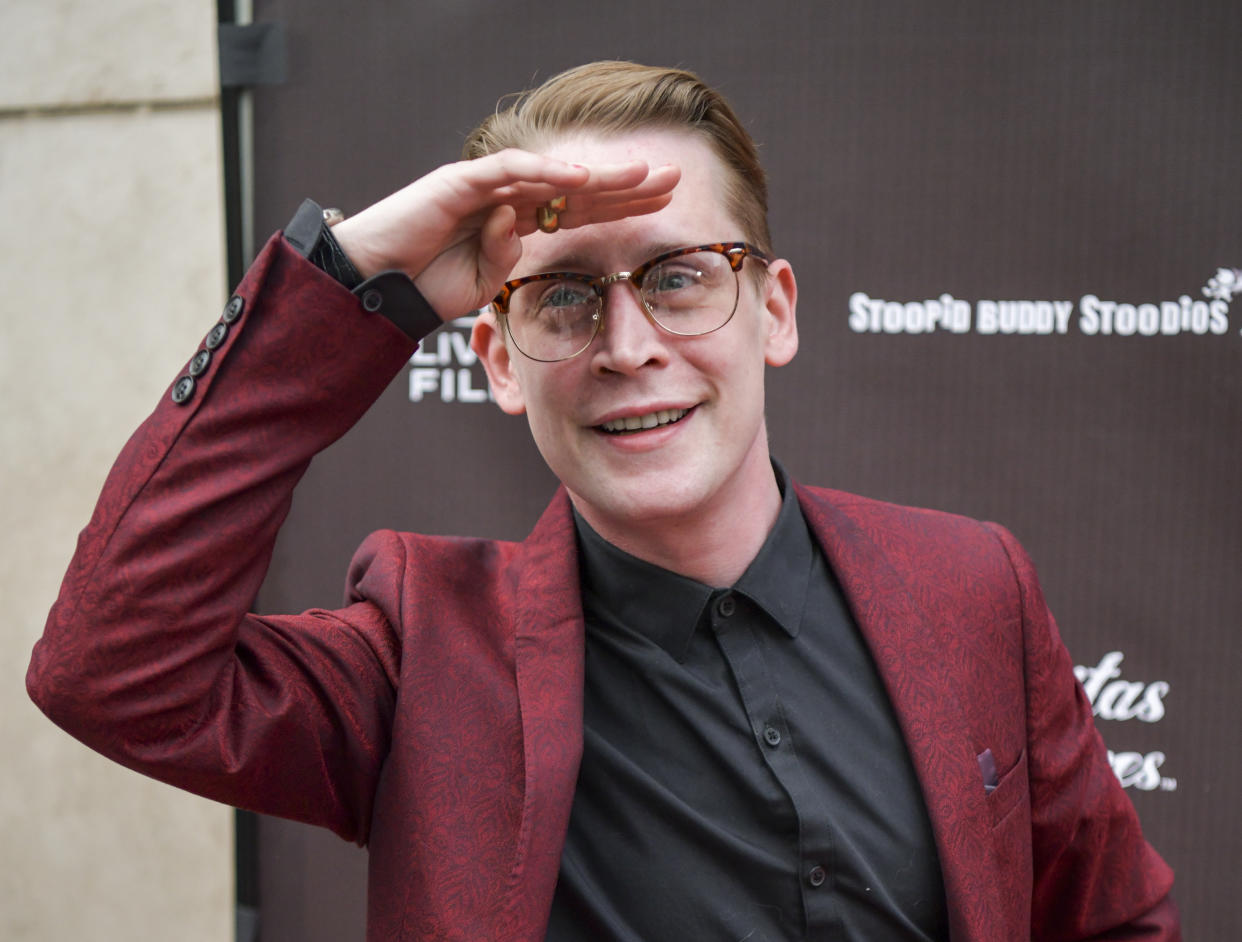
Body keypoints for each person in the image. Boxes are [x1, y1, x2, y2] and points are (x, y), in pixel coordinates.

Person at [28, 61, 1178, 940]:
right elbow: (109, 671)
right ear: (495, 357)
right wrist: (339, 287)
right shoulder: (421, 650)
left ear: (773, 310)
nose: (628, 347)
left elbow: (1115, 920)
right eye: (566, 298)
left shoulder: (970, 586)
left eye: (680, 279)